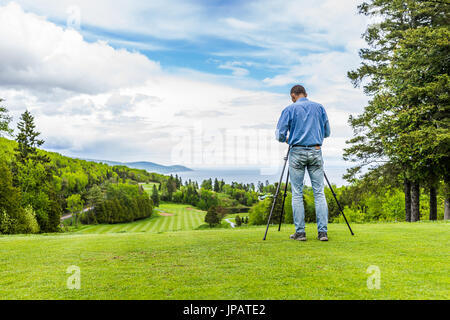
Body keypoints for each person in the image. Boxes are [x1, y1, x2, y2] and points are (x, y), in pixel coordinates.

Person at [275, 85, 331, 241]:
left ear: (293, 96)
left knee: (297, 193)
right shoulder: (319, 108)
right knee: (319, 193)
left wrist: (290, 139)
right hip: (315, 150)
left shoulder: (289, 109)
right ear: (306, 94)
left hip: (297, 152)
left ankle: (300, 233)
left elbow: (280, 135)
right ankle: (322, 233)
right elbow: (327, 132)